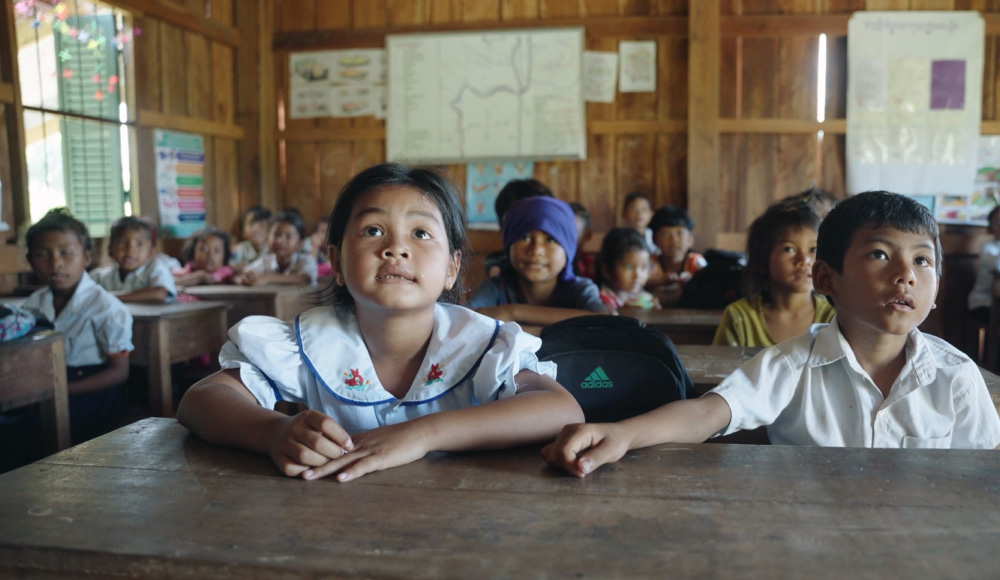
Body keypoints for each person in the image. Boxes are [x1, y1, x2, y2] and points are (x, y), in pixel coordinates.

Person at [543, 191, 1000, 477]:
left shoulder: (956, 377)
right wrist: (622, 434)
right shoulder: (791, 365)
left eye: (923, 260)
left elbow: (985, 474)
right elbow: (707, 413)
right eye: (880, 255)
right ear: (825, 279)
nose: (906, 276)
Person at [176, 163, 582, 482]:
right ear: (335, 261)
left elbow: (559, 408)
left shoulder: (480, 343)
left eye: (421, 233)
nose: (396, 248)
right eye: (373, 230)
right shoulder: (310, 342)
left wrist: (424, 434)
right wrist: (272, 433)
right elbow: (201, 399)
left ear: (452, 269)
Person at [14, 208, 134, 446]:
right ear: (30, 261)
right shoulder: (32, 306)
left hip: (93, 391)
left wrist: (61, 391)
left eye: (66, 253)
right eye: (42, 254)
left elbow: (120, 371)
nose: (55, 263)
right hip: (44, 386)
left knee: (29, 430)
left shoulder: (106, 308)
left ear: (87, 257)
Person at [466, 196, 607, 327]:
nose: (536, 250)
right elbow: (466, 319)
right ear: (509, 244)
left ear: (568, 250)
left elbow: (602, 320)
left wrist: (512, 312)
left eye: (550, 239)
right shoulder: (495, 288)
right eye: (526, 237)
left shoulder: (580, 290)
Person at [712, 201, 835, 346]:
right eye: (789, 249)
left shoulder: (833, 315)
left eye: (813, 249)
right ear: (762, 259)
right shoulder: (741, 317)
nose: (804, 260)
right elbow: (722, 367)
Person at [89, 215, 176, 303]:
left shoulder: (155, 269)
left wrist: (111, 297)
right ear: (110, 249)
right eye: (122, 242)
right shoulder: (101, 276)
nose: (130, 250)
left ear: (151, 251)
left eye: (140, 243)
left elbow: (160, 294)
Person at [484, 178, 554, 279]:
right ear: (502, 227)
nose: (536, 250)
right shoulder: (497, 269)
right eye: (515, 221)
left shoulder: (567, 269)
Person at [233, 210, 318, 286]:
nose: (280, 241)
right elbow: (243, 274)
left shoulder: (306, 260)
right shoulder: (266, 262)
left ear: (300, 243)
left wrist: (265, 278)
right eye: (276, 235)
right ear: (267, 238)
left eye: (288, 236)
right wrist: (245, 279)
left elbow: (304, 279)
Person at [646, 205, 707, 306]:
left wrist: (693, 282)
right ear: (654, 239)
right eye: (665, 234)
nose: (673, 240)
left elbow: (708, 285)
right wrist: (659, 281)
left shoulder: (696, 261)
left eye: (680, 234)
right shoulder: (649, 263)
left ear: (690, 240)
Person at [597, 227, 660, 314]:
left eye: (644, 267)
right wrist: (626, 312)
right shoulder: (601, 302)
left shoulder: (643, 298)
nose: (638, 275)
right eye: (629, 267)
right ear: (607, 270)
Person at [967, 205, 1000, 323]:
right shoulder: (988, 247)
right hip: (984, 302)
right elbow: (997, 265)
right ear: (991, 226)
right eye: (997, 221)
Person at [621, 191, 658, 255]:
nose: (639, 214)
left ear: (651, 214)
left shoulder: (655, 237)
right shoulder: (619, 238)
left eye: (644, 210)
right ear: (624, 213)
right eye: (634, 209)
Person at [569, 201, 596, 280]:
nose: (567, 237)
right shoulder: (556, 264)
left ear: (588, 235)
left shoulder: (592, 265)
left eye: (574, 232)